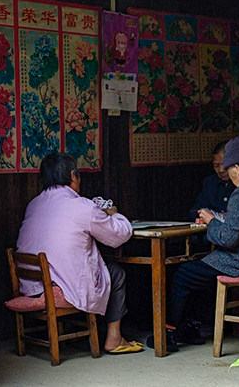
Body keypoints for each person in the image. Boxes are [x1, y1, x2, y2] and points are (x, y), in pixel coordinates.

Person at [16, 152, 143, 354]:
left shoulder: (33, 204)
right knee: (116, 273)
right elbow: (120, 234)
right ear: (74, 176)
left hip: (31, 285)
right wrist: (115, 213)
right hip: (58, 288)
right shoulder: (82, 206)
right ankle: (114, 338)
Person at [147, 135, 239, 352]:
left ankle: (167, 332)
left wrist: (212, 222)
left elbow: (229, 239)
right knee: (200, 269)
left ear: (238, 169)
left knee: (185, 274)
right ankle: (190, 326)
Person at [187, 141, 236, 222]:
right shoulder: (210, 183)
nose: (221, 170)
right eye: (216, 165)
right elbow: (194, 211)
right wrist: (202, 216)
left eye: (224, 164)